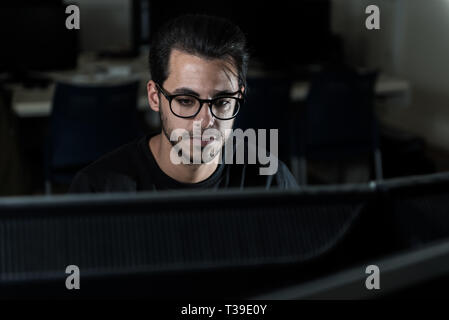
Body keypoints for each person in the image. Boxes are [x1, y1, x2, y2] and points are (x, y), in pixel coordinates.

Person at [69, 14, 298, 193]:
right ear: (154, 97)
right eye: (186, 101)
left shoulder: (269, 181)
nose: (206, 121)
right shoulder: (100, 189)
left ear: (239, 97)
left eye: (222, 102)